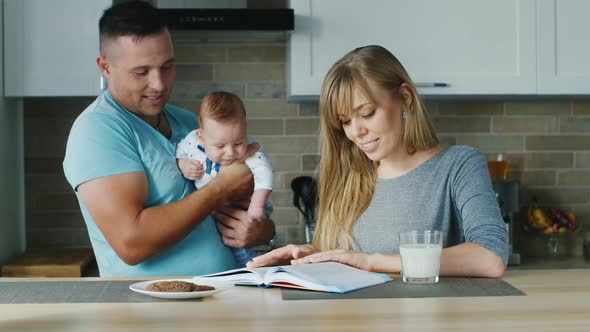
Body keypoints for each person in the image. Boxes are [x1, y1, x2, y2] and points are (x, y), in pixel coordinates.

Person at [249, 45, 508, 278]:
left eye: (367, 113)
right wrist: (314, 257)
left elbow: (490, 257)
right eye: (345, 121)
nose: (355, 132)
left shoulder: (458, 165)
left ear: (405, 97)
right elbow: (353, 264)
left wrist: (373, 262)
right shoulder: (348, 174)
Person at [62, 1, 275, 277]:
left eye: (167, 67)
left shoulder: (189, 124)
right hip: (154, 313)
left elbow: (249, 208)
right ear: (105, 67)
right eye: (141, 72)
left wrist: (262, 231)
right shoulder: (96, 132)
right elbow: (131, 243)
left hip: (226, 299)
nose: (159, 84)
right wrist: (221, 188)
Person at [176, 91, 273, 266]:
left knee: (240, 247)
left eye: (238, 143)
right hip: (216, 209)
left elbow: (264, 174)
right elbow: (180, 151)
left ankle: (247, 268)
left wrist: (257, 206)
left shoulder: (252, 151)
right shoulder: (192, 142)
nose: (230, 152)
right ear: (201, 137)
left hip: (247, 206)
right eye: (220, 146)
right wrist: (183, 164)